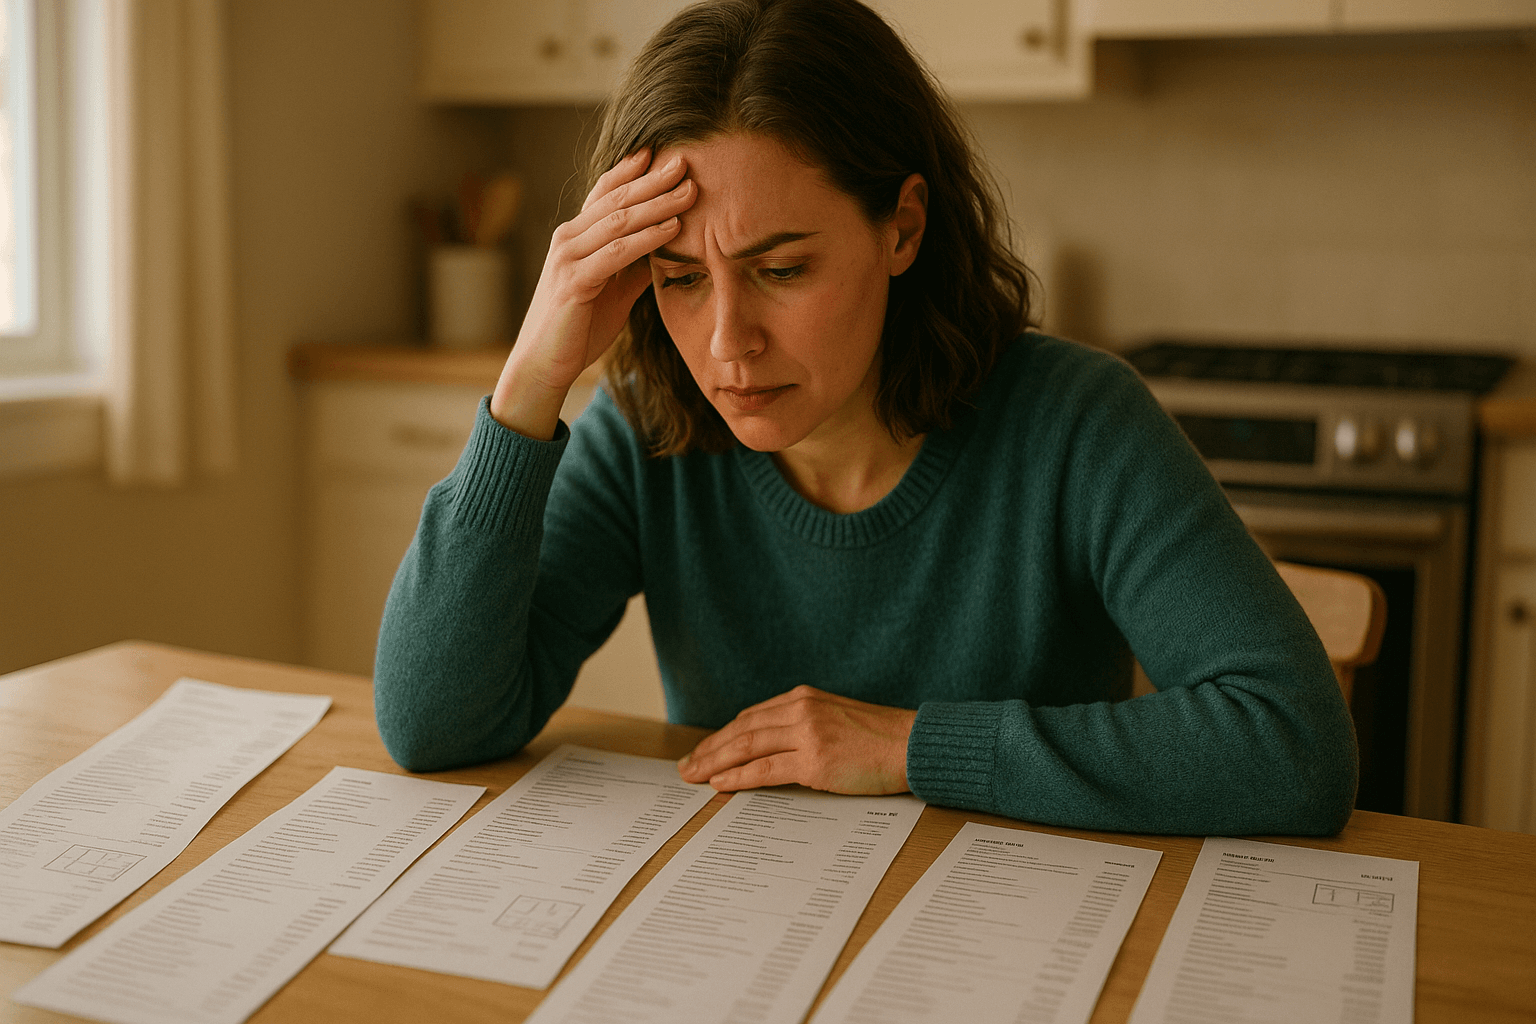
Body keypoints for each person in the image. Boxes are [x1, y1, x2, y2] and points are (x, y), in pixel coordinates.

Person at [374, 0, 1358, 835]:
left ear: (904, 227)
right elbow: (432, 724)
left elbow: (1294, 745)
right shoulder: (649, 428)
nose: (726, 343)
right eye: (677, 280)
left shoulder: (1077, 424)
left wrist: (908, 743)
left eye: (782, 268)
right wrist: (531, 379)